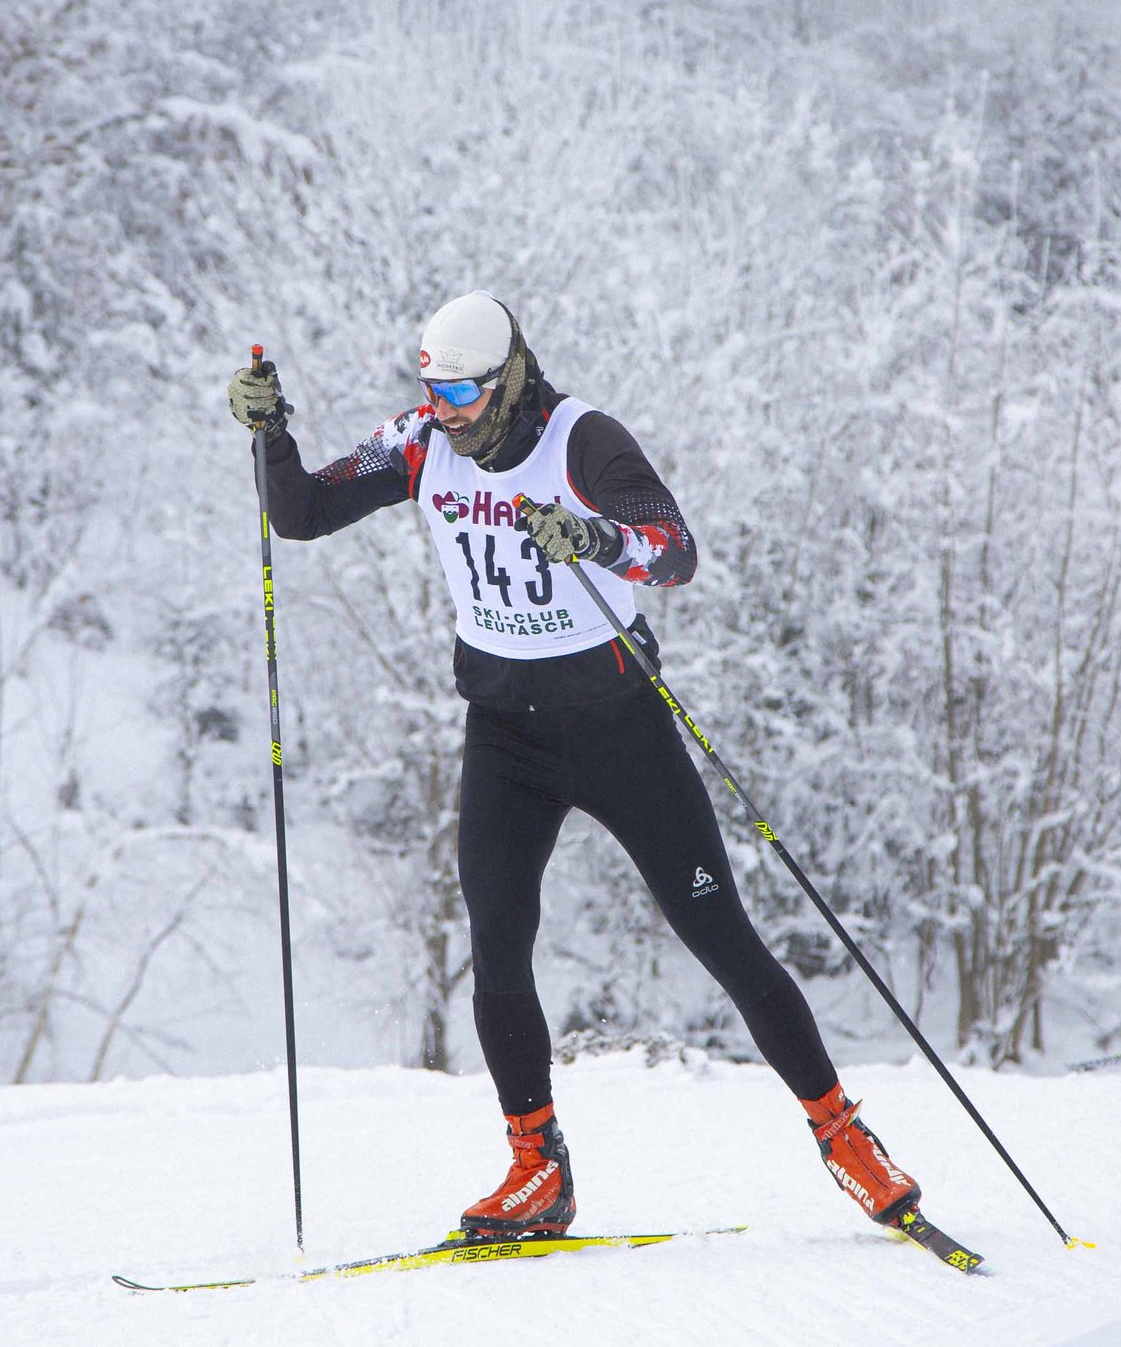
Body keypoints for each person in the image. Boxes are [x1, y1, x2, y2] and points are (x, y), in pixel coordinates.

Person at [227, 292, 928, 1239]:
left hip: (617, 727)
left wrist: (598, 537)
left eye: (465, 391)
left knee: (719, 933)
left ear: (509, 374)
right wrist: (272, 434)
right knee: (499, 942)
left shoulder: (583, 438)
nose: (447, 409)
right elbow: (301, 513)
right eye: (432, 389)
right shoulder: (421, 440)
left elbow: (675, 549)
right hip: (505, 738)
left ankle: (844, 1136)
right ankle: (537, 1167)